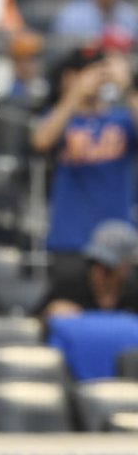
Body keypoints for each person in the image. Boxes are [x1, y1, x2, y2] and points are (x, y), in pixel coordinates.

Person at [31, 45, 137, 299]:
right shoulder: (60, 117)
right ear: (69, 76)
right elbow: (41, 141)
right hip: (71, 239)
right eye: (84, 72)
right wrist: (75, 94)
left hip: (119, 239)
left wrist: (128, 86)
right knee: (69, 310)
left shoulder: (122, 118)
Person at [38, 219, 138, 317]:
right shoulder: (69, 285)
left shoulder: (134, 292)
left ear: (126, 267)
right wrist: (49, 312)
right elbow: (33, 321)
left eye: (108, 268)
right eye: (93, 263)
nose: (97, 274)